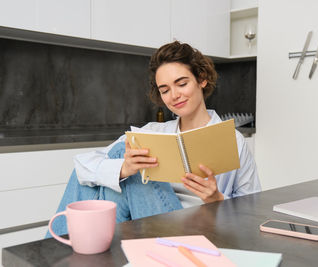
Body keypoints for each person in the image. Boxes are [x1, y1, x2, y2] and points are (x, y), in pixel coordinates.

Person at [47, 41, 261, 237]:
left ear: (202, 79)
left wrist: (217, 200)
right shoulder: (152, 133)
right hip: (145, 221)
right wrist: (124, 169)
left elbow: (253, 212)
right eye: (165, 90)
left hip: (198, 231)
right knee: (120, 160)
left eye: (182, 83)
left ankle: (54, 250)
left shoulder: (232, 139)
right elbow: (81, 167)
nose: (174, 95)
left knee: (122, 157)